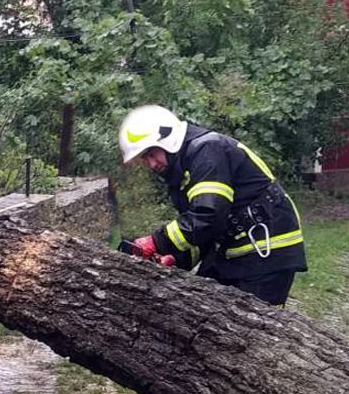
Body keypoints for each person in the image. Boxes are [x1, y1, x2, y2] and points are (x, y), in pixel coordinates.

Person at [118, 105, 306, 306]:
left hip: (266, 250)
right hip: (234, 250)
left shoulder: (207, 151)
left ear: (167, 137)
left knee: (245, 328)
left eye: (151, 153)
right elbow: (201, 232)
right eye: (145, 158)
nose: (152, 164)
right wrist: (176, 259)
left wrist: (156, 242)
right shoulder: (183, 168)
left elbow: (208, 216)